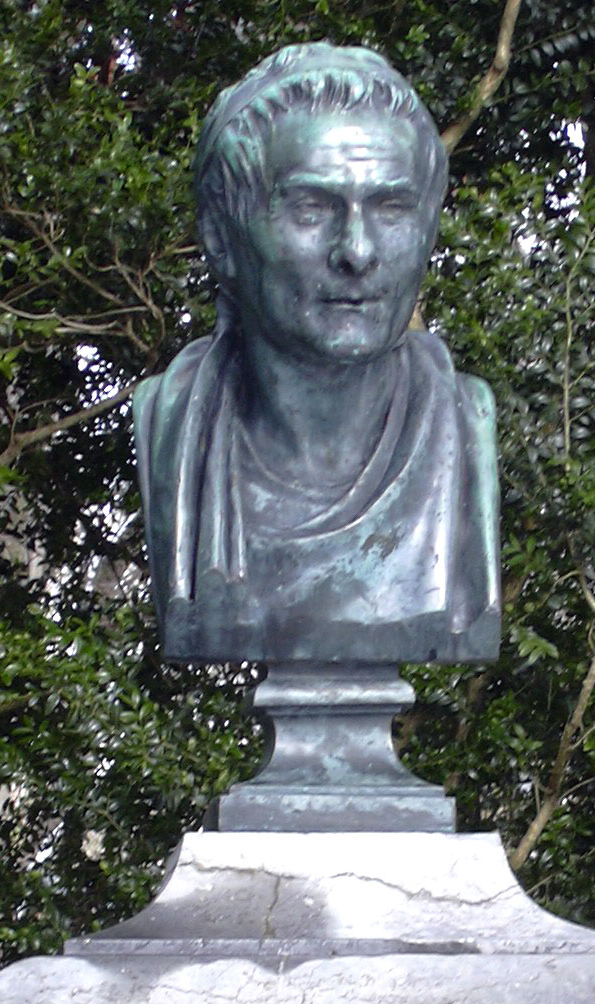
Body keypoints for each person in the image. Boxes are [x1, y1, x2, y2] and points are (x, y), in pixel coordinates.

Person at [133, 43, 500, 664]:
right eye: (311, 209)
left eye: (391, 209)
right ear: (222, 239)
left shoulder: (466, 426)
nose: (357, 251)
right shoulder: (170, 428)